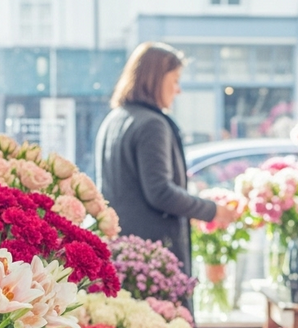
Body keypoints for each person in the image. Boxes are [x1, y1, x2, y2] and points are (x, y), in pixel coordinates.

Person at [95, 42, 239, 278]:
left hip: (122, 252)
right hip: (154, 257)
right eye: (175, 80)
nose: (178, 90)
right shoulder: (152, 125)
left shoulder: (114, 119)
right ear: (156, 79)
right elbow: (161, 193)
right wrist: (213, 211)